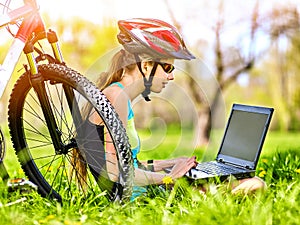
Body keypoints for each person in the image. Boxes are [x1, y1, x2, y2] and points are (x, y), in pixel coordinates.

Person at [88, 18, 266, 199]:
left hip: (148, 192)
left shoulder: (119, 96)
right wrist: (169, 178)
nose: (171, 76)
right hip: (140, 200)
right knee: (255, 184)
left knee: (247, 182)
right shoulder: (116, 97)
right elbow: (115, 172)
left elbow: (130, 164)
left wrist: (172, 162)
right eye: (167, 67)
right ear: (146, 65)